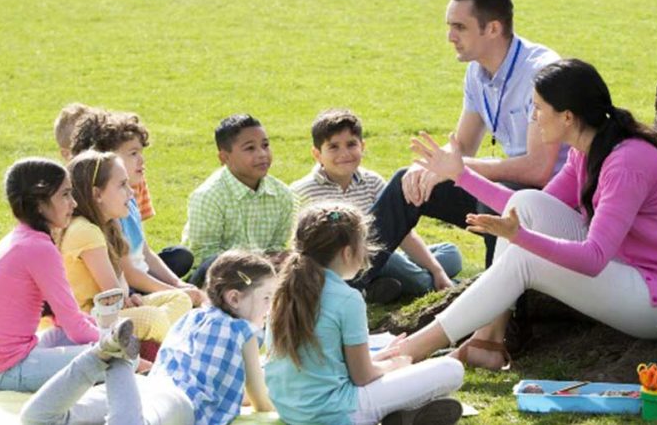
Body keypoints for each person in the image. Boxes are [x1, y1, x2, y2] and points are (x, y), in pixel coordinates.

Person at [402, 58, 657, 370]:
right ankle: (488, 342)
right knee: (527, 205)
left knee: (525, 256)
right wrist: (461, 175)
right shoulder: (585, 152)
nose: (533, 117)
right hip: (634, 269)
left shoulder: (626, 164)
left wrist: (520, 238)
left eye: (538, 108)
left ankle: (410, 350)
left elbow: (592, 258)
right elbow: (525, 208)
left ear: (567, 116)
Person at [361, 0, 566, 295]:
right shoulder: (477, 71)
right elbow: (463, 143)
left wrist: (458, 167)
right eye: (449, 26)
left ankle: (500, 313)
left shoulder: (541, 72)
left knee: (492, 196)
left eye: (460, 27)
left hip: (551, 203)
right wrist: (431, 165)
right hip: (508, 188)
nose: (450, 37)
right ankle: (348, 282)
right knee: (407, 181)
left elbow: (539, 169)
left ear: (493, 29)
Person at [264, 203, 464, 425]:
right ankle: (404, 413)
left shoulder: (282, 291)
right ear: (347, 252)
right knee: (451, 369)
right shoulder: (347, 298)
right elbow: (363, 377)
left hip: (289, 411)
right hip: (338, 413)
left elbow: (324, 363)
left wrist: (378, 358)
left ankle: (404, 416)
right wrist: (395, 365)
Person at [291, 109, 462, 302]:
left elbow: (402, 231)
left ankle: (377, 287)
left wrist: (437, 270)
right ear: (317, 154)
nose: (344, 153)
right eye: (333, 147)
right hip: (340, 267)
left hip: (382, 257)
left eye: (351, 144)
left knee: (451, 254)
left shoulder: (372, 181)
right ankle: (431, 285)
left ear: (362, 146)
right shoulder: (302, 192)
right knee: (388, 257)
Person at [0, 158, 100, 392]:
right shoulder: (39, 249)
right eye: (65, 195)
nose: (74, 203)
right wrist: (115, 343)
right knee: (111, 358)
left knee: (90, 340)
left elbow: (66, 320)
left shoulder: (23, 237)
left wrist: (105, 329)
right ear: (39, 204)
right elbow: (77, 329)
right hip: (5, 370)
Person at [71, 113, 205, 306]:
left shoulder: (128, 199)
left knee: (181, 256)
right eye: (133, 153)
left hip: (138, 276)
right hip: (126, 286)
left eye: (141, 152)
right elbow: (129, 273)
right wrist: (177, 293)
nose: (141, 160)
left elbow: (145, 252)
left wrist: (178, 285)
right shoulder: (108, 214)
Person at [60, 150, 192, 344]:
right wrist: (127, 301)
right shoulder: (85, 230)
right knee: (153, 320)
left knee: (180, 299)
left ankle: (148, 342)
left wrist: (130, 300)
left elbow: (119, 291)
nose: (131, 193)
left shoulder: (109, 224)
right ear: (97, 194)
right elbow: (113, 295)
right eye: (122, 185)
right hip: (91, 321)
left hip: (110, 311)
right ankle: (160, 345)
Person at [151, 250, 277, 425]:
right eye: (266, 298)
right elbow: (261, 402)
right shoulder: (243, 331)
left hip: (155, 390)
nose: (270, 307)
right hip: (185, 410)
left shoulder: (192, 316)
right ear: (234, 298)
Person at [182, 114, 294, 287]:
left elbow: (277, 247)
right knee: (214, 263)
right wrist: (257, 261)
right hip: (218, 277)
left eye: (265, 145)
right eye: (250, 148)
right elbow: (204, 256)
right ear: (224, 158)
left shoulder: (282, 194)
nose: (262, 154)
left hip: (263, 275)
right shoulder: (209, 195)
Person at [20, 318, 194, 425]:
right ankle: (119, 355)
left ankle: (105, 353)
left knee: (33, 419)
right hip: (171, 400)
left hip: (135, 389)